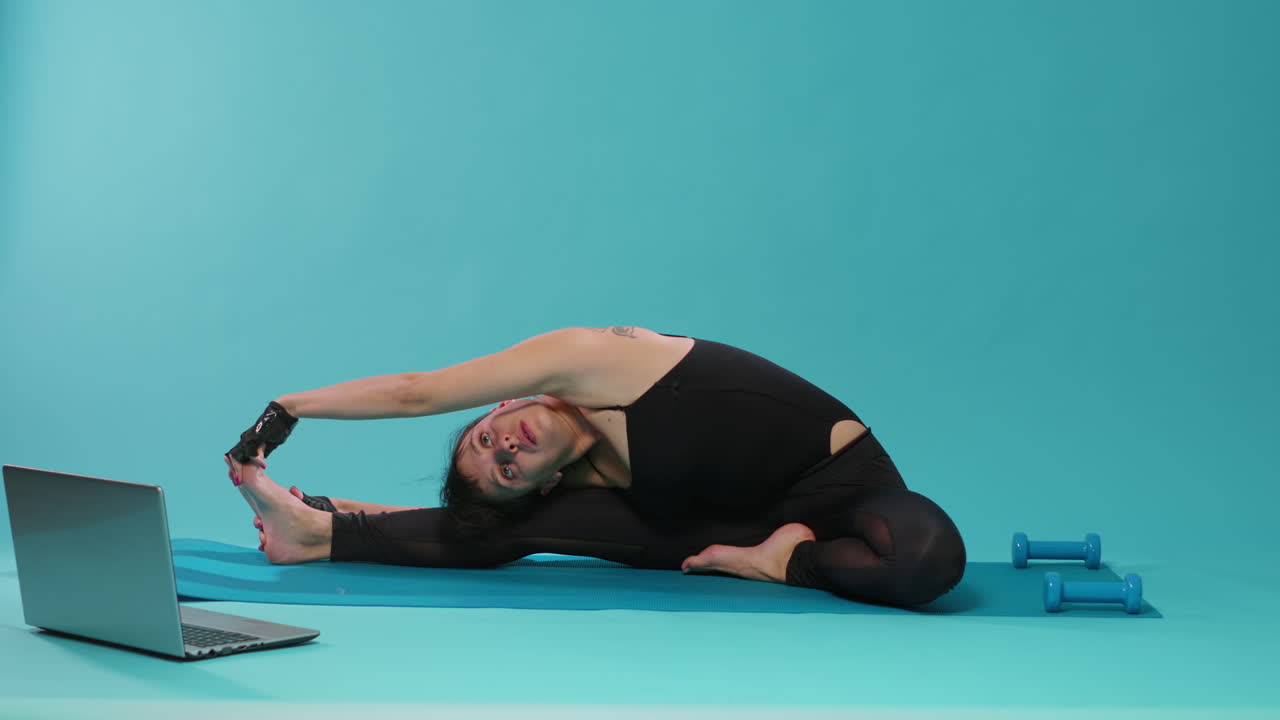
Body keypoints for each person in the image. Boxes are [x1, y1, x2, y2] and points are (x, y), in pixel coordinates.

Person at [224, 326, 966, 607]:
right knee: (508, 530)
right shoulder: (567, 483)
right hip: (732, 529)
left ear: (498, 406)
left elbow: (418, 392)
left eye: (488, 441)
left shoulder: (591, 361)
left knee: (925, 561)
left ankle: (787, 564)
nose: (505, 449)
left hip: (844, 482)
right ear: (542, 482)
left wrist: (287, 408)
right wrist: (333, 510)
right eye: (507, 470)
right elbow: (484, 527)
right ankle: (315, 535)